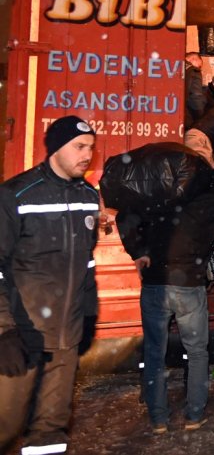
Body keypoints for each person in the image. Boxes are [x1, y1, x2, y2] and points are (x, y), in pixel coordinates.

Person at [0, 116, 99, 455]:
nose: (87, 155)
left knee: (51, 431)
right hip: (22, 337)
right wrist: (5, 332)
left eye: (90, 148)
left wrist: (88, 315)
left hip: (64, 337)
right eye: (79, 147)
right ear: (56, 148)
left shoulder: (88, 196)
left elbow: (87, 262)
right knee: (6, 426)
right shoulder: (16, 195)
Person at [117, 167, 214, 433]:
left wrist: (138, 250)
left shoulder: (157, 200)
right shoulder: (209, 204)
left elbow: (125, 216)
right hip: (189, 283)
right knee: (197, 352)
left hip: (155, 282)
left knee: (155, 352)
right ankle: (194, 414)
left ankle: (158, 419)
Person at [184, 52, 208, 129]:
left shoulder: (173, 66)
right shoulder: (194, 71)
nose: (200, 68)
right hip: (186, 119)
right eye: (200, 66)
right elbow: (195, 98)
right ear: (193, 59)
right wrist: (200, 117)